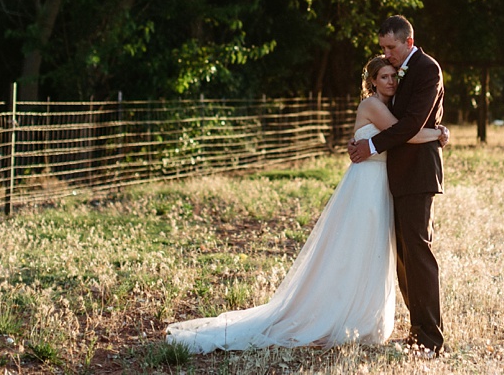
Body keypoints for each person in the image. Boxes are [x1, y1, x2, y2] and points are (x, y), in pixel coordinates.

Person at [165, 56, 448, 354]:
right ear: (373, 81)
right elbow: (404, 134)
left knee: (374, 253)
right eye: (385, 77)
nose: (391, 82)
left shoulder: (391, 107)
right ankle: (342, 315)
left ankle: (364, 316)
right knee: (356, 250)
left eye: (394, 77)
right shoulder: (373, 106)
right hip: (366, 186)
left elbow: (399, 135)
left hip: (382, 186)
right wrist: (439, 133)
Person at [347, 15, 446, 356]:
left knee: (418, 254)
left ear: (407, 42)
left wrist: (370, 146)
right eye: (383, 49)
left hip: (418, 175)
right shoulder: (398, 74)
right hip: (395, 177)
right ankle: (418, 331)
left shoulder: (427, 70)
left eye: (390, 47)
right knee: (404, 257)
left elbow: (410, 125)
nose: (386, 54)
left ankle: (431, 339)